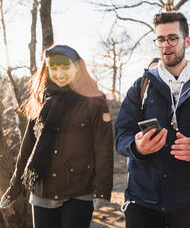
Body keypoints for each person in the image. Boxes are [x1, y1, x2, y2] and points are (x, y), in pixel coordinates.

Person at [115, 12, 190, 228]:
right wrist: (136, 146)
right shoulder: (141, 87)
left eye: (173, 38)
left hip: (189, 205)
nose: (166, 44)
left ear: (187, 41)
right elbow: (120, 136)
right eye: (160, 39)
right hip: (142, 202)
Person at [0, 45, 114, 228]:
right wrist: (14, 188)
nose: (59, 74)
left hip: (78, 189)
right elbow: (27, 147)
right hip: (42, 189)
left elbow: (104, 148)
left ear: (76, 68)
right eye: (53, 68)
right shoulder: (40, 99)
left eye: (64, 67)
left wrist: (103, 190)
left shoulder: (94, 101)